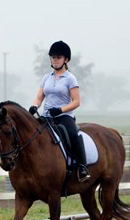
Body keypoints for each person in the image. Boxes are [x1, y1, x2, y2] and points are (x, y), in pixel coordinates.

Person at [28, 40, 90, 182]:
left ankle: (82, 167)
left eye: (58, 57)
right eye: (53, 57)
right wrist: (35, 106)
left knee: (73, 134)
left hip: (64, 117)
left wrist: (61, 109)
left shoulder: (70, 78)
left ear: (66, 59)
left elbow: (76, 102)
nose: (55, 60)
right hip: (46, 116)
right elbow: (39, 97)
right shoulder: (46, 78)